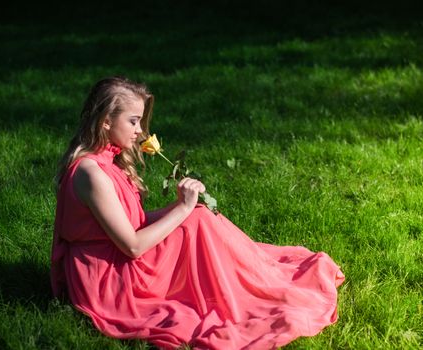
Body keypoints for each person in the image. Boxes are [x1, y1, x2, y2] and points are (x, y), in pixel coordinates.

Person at [51, 76, 345, 350]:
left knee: (199, 216)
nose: (140, 130)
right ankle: (243, 289)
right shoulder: (91, 174)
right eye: (133, 121)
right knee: (193, 217)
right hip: (111, 282)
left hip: (119, 260)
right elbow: (132, 245)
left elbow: (134, 224)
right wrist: (182, 208)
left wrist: (184, 208)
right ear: (105, 122)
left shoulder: (105, 164)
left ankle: (253, 279)